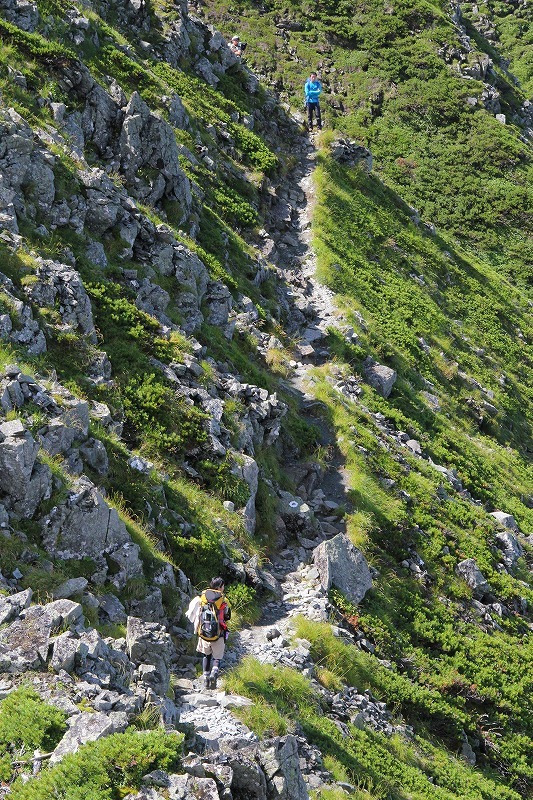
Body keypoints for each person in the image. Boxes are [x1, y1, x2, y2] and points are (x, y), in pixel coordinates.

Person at [195, 577, 231, 689]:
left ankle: (205, 679)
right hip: (218, 633)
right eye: (223, 586)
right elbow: (227, 616)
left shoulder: (203, 597)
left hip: (204, 633)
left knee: (206, 656)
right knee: (217, 657)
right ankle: (214, 672)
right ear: (220, 587)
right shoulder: (223, 599)